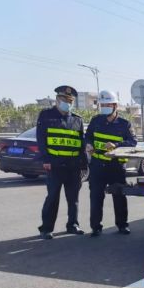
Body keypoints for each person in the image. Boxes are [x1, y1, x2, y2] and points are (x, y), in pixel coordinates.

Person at [37, 85, 87, 239]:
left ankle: (73, 225)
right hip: (55, 165)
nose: (67, 102)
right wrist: (45, 159)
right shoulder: (46, 116)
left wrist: (83, 164)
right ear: (57, 100)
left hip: (73, 166)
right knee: (52, 197)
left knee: (73, 199)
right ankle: (46, 228)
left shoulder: (77, 120)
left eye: (70, 100)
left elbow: (81, 143)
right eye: (64, 99)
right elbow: (41, 139)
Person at [85, 90, 137, 236]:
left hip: (116, 166)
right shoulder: (96, 121)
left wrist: (116, 144)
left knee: (119, 196)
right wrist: (88, 144)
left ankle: (122, 225)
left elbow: (132, 142)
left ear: (115, 106)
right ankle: (95, 227)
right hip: (97, 165)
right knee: (96, 196)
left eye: (108, 104)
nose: (104, 107)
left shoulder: (124, 124)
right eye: (102, 105)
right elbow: (87, 136)